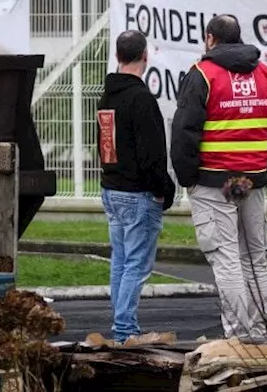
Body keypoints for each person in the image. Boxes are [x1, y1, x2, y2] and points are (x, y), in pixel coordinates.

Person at [170, 14, 267, 343]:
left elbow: (184, 131)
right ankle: (257, 331)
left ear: (210, 38)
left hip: (213, 182)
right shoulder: (264, 74)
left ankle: (238, 335)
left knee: (225, 257)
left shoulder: (202, 74)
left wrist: (188, 178)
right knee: (254, 256)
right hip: (251, 181)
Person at [96, 29, 176, 343]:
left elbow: (104, 144)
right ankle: (125, 327)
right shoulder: (140, 98)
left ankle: (121, 324)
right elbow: (153, 152)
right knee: (136, 264)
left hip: (112, 188)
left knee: (120, 260)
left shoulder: (107, 97)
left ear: (117, 56)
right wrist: (162, 189)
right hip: (138, 193)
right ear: (145, 56)